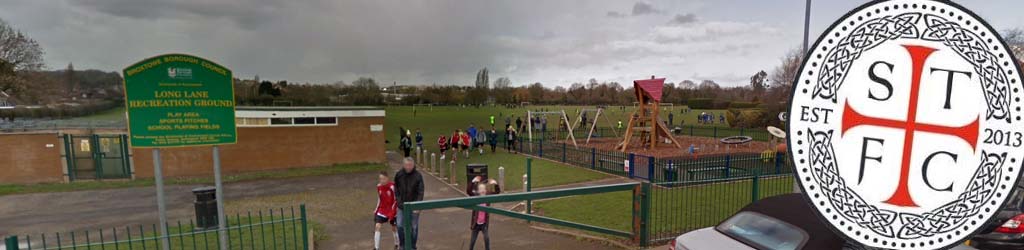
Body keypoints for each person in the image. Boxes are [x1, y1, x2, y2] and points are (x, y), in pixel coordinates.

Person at [394, 158, 424, 250]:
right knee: (399, 225)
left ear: (413, 165)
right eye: (407, 165)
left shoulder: (418, 176)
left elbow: (420, 191)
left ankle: (412, 246)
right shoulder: (399, 175)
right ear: (403, 165)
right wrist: (399, 202)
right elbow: (396, 189)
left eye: (410, 165)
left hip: (414, 206)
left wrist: (417, 206)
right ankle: (402, 245)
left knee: (414, 227)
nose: (408, 167)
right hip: (401, 206)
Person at [466, 176, 501, 250]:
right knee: (472, 241)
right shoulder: (475, 196)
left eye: (484, 189)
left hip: (484, 223)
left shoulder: (488, 196)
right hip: (476, 224)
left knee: (486, 238)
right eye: (481, 189)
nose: (482, 190)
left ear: (486, 190)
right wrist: (473, 182)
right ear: (478, 191)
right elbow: (469, 191)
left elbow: (497, 192)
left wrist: (495, 184)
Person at [373, 171, 399, 250]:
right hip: (382, 210)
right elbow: (379, 199)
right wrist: (376, 209)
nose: (382, 181)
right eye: (380, 179)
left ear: (387, 178)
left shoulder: (392, 186)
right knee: (377, 226)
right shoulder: (378, 186)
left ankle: (397, 244)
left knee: (394, 228)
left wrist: (393, 212)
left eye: (384, 179)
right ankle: (376, 248)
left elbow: (396, 200)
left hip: (392, 210)